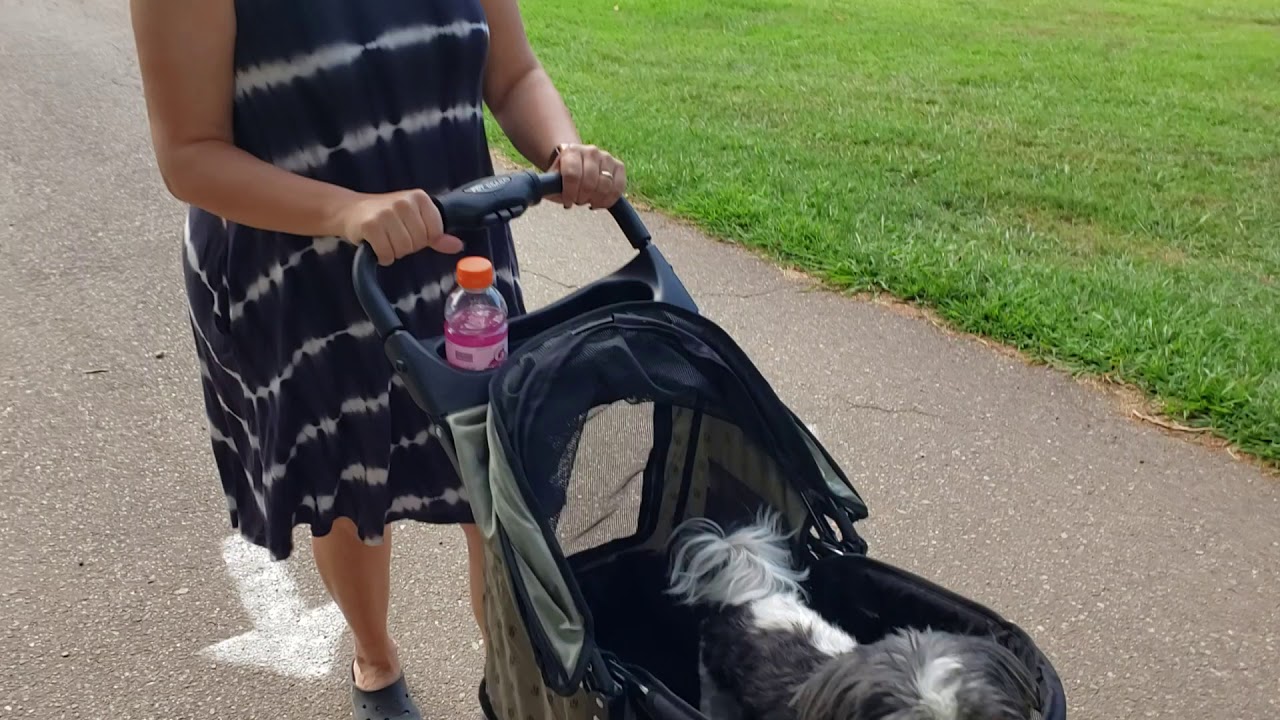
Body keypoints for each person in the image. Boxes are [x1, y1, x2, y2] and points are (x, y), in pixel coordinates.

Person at [128, 1, 627, 717]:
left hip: (462, 265)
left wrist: (563, 151)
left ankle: (520, 680)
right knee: (348, 480)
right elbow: (190, 152)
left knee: (497, 483)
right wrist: (347, 213)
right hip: (301, 266)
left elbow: (513, 74)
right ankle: (375, 658)